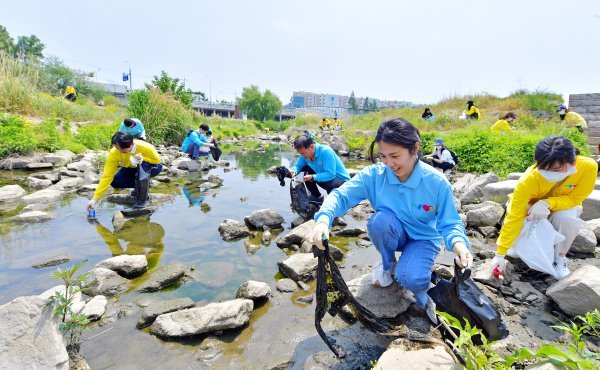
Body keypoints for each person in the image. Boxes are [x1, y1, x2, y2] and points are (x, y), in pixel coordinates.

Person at [305, 118, 472, 323]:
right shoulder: (375, 175)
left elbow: (450, 222)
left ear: (415, 149)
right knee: (379, 222)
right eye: (383, 156)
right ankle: (388, 264)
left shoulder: (436, 182)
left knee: (410, 277)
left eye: (395, 156)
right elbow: (341, 196)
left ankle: (424, 295)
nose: (389, 163)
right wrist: (323, 220)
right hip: (393, 230)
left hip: (424, 238)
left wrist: (459, 245)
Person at [492, 136, 597, 279]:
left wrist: (547, 203)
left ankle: (560, 258)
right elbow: (514, 214)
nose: (549, 173)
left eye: (556, 169)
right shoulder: (530, 179)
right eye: (543, 168)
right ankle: (519, 245)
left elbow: (575, 198)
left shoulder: (588, 167)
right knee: (520, 220)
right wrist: (500, 253)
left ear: (572, 162)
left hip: (565, 205)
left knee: (566, 219)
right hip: (533, 207)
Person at [87, 132, 163, 210]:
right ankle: (140, 187)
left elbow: (157, 161)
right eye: (117, 147)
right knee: (116, 181)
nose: (119, 151)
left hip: (153, 166)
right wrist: (95, 199)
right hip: (132, 167)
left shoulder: (145, 147)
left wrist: (144, 159)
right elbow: (107, 176)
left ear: (132, 145)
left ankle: (142, 199)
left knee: (142, 169)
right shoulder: (114, 153)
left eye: (122, 149)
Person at [290, 135, 350, 203]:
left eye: (303, 153)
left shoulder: (325, 151)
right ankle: (316, 196)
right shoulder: (304, 155)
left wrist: (312, 177)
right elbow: (298, 166)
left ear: (312, 147)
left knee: (331, 185)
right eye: (300, 153)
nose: (302, 155)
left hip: (341, 183)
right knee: (304, 169)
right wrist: (294, 171)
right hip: (325, 179)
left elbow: (330, 174)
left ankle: (335, 202)